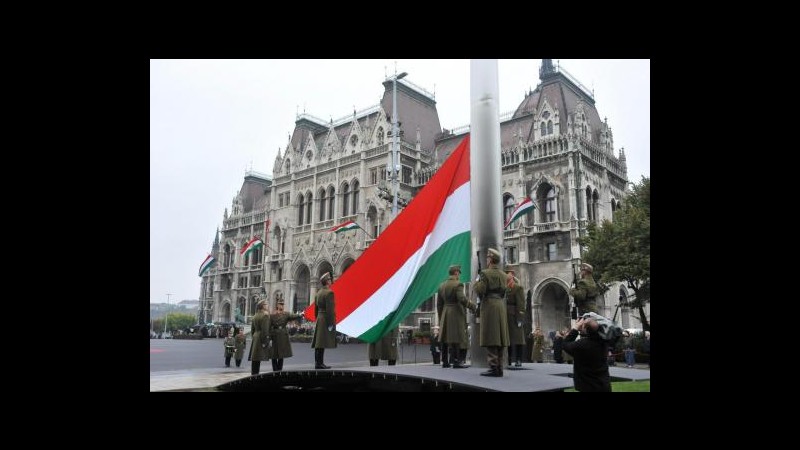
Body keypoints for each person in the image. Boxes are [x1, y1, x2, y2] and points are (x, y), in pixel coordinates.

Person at [474, 248, 510, 377]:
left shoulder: (485, 273)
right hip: (500, 305)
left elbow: (480, 290)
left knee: (491, 336)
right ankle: (499, 366)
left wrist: (477, 281)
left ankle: (494, 367)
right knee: (499, 336)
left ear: (489, 259)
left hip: (489, 305)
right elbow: (504, 291)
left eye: (488, 258)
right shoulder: (503, 274)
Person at [437, 264, 475, 369]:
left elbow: (439, 304)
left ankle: (445, 361)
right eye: (459, 273)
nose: (459, 275)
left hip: (445, 312)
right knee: (456, 336)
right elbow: (462, 299)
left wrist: (441, 317)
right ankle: (457, 361)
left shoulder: (442, 285)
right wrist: (472, 306)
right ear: (456, 273)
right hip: (455, 312)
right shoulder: (458, 284)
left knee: (444, 337)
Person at [562, 315, 611, 392]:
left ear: (585, 329)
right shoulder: (603, 342)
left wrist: (576, 328)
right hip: (603, 385)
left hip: (588, 387)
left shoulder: (582, 345)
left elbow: (565, 344)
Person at [269, 298, 303, 371]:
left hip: (282, 335)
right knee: (274, 354)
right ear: (277, 305)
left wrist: (300, 314)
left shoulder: (286, 314)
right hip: (274, 334)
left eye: (283, 304)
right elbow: (269, 326)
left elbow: (293, 316)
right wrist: (269, 338)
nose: (282, 306)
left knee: (282, 353)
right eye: (280, 304)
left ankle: (279, 370)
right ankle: (274, 370)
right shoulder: (272, 315)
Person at [311, 271, 336, 369]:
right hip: (325, 318)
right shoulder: (329, 292)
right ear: (327, 281)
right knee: (321, 343)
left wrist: (317, 318)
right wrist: (331, 323)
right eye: (330, 279)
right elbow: (330, 310)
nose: (331, 281)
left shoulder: (318, 293)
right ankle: (320, 363)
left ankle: (318, 362)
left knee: (319, 343)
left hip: (319, 318)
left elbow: (316, 309)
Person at [504, 267, 526, 368]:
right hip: (505, 316)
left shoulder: (517, 287)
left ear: (512, 275)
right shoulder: (504, 288)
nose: (506, 275)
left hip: (515, 315)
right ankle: (508, 359)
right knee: (507, 339)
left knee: (518, 339)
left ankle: (518, 359)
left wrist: (520, 318)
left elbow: (521, 304)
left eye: (507, 273)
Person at [248, 299, 272, 375]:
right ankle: (255, 375)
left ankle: (253, 374)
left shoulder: (255, 315)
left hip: (255, 337)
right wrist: (265, 342)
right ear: (263, 306)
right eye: (266, 304)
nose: (268, 306)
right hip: (261, 337)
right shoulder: (265, 316)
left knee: (255, 359)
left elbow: (252, 330)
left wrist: (254, 337)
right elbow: (265, 330)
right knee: (258, 358)